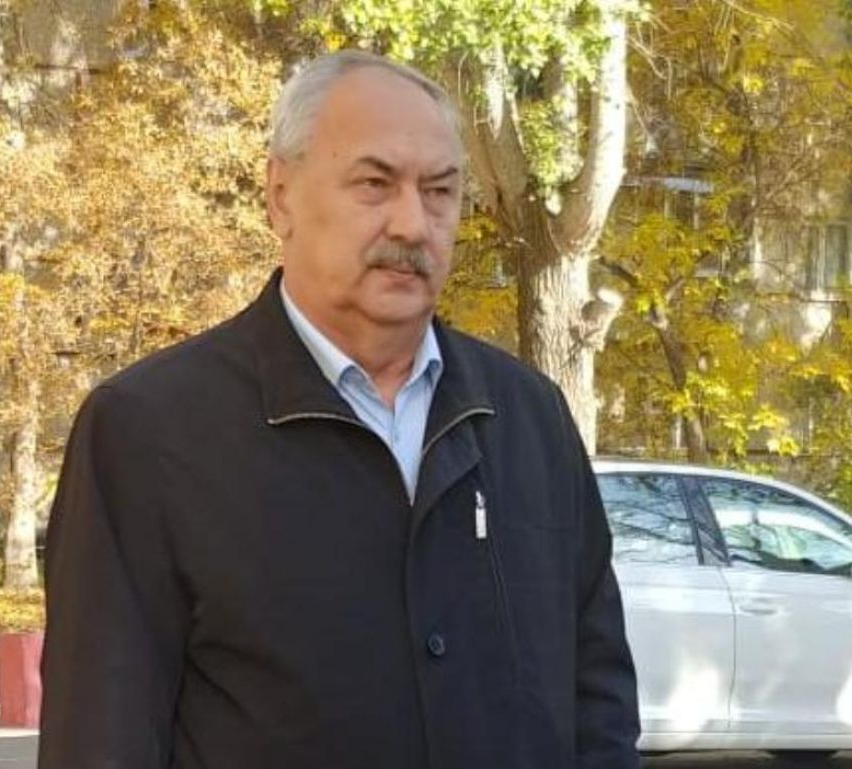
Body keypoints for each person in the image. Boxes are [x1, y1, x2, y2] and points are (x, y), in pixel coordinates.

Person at [38, 50, 640, 769]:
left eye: (440, 191)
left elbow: (598, 706)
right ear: (280, 196)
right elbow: (99, 739)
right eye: (374, 183)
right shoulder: (147, 433)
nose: (413, 224)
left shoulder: (529, 419)